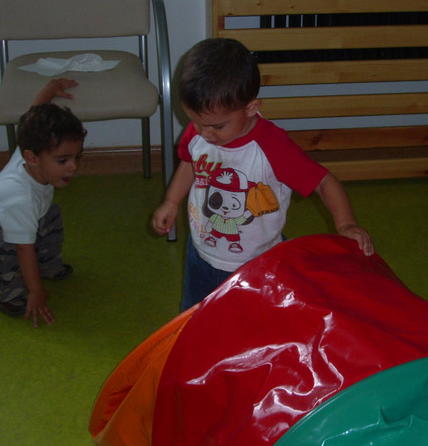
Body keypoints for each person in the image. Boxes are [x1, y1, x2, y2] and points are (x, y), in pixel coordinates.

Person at [152, 38, 374, 311]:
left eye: (216, 126)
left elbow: (323, 182)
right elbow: (190, 163)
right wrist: (172, 201)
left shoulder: (272, 146)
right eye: (195, 121)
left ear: (251, 108)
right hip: (201, 254)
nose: (203, 133)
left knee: (252, 324)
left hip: (257, 262)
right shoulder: (200, 131)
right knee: (194, 316)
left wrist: (346, 225)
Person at [0, 79, 86, 328]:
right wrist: (35, 292)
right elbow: (23, 249)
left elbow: (33, 111)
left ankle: (48, 265)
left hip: (13, 220)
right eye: (63, 160)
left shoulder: (31, 151)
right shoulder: (21, 198)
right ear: (32, 157)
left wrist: (50, 89)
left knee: (51, 214)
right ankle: (3, 295)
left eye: (76, 157)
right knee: (9, 244)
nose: (73, 166)